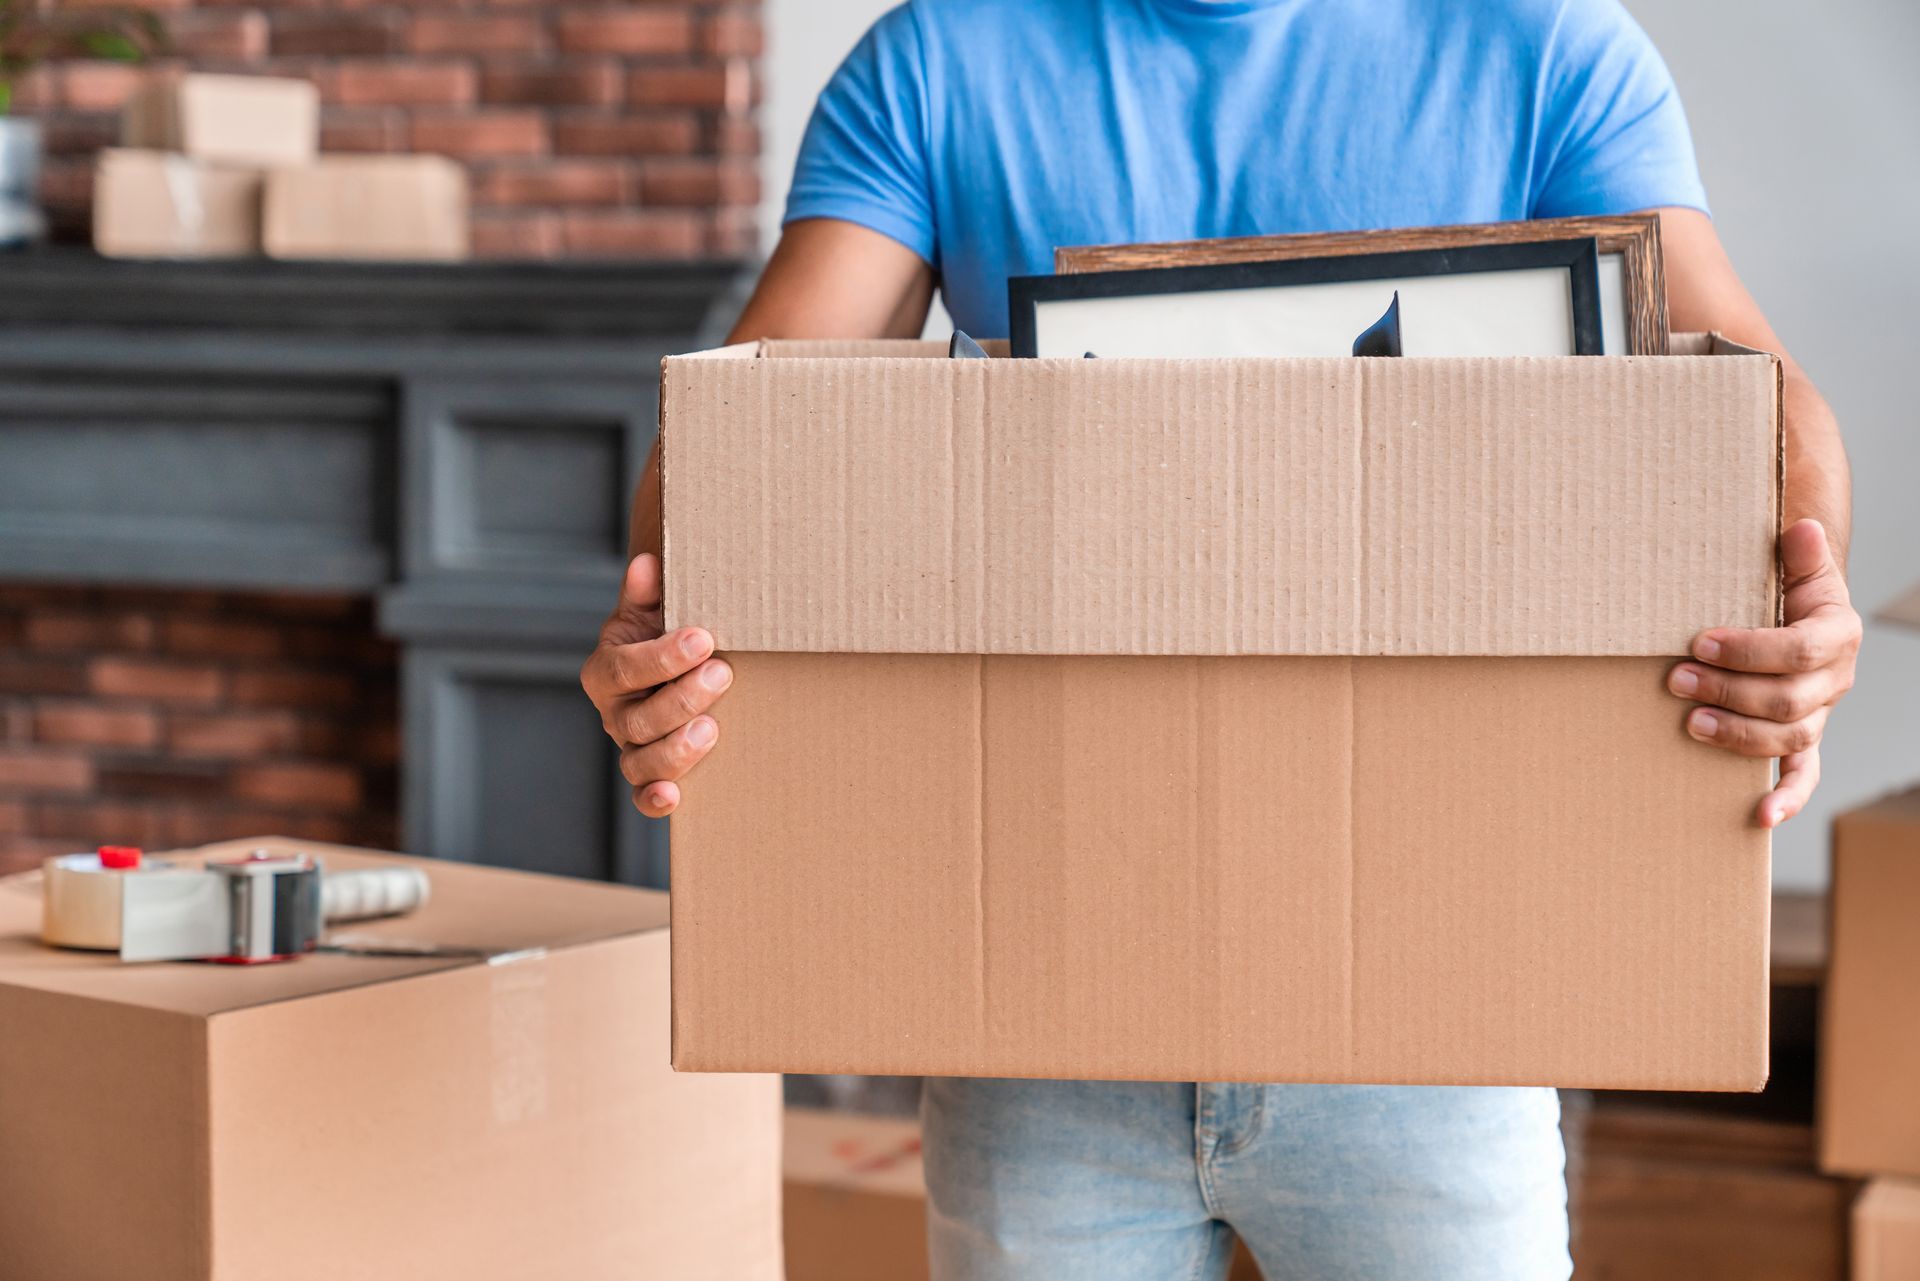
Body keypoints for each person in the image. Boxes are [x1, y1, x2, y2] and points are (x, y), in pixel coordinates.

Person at [581, 2, 1861, 1276]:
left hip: (1436, 996)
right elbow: (740, 430)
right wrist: (667, 624)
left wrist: (1805, 604)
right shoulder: (941, 59)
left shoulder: (1544, 50)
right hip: (1042, 989)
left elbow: (1749, 392)